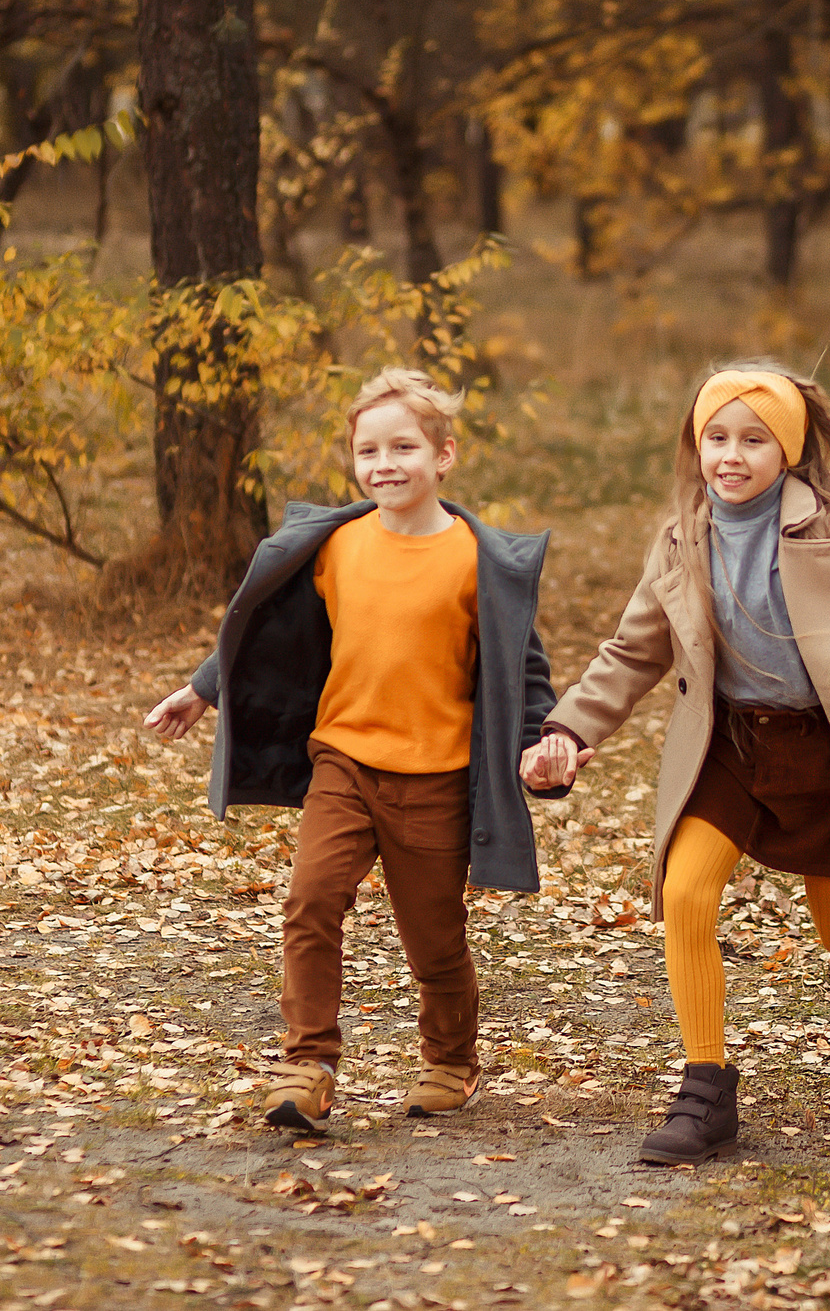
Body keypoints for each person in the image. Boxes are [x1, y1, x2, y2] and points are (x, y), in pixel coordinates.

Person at [521, 362, 830, 1165]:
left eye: (753, 439)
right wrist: (568, 729)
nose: (730, 455)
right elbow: (633, 651)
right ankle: (706, 1089)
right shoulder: (680, 540)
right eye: (715, 437)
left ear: (789, 451)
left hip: (824, 759)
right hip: (728, 750)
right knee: (687, 893)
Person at [143, 368, 560, 1132]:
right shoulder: (334, 545)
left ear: (445, 455)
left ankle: (451, 1060)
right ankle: (309, 1062)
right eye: (369, 450)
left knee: (433, 936)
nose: (385, 464)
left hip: (436, 775)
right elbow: (265, 632)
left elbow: (523, 666)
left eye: (404, 446)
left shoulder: (479, 559)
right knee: (310, 900)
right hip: (342, 761)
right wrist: (205, 687)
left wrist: (549, 740)